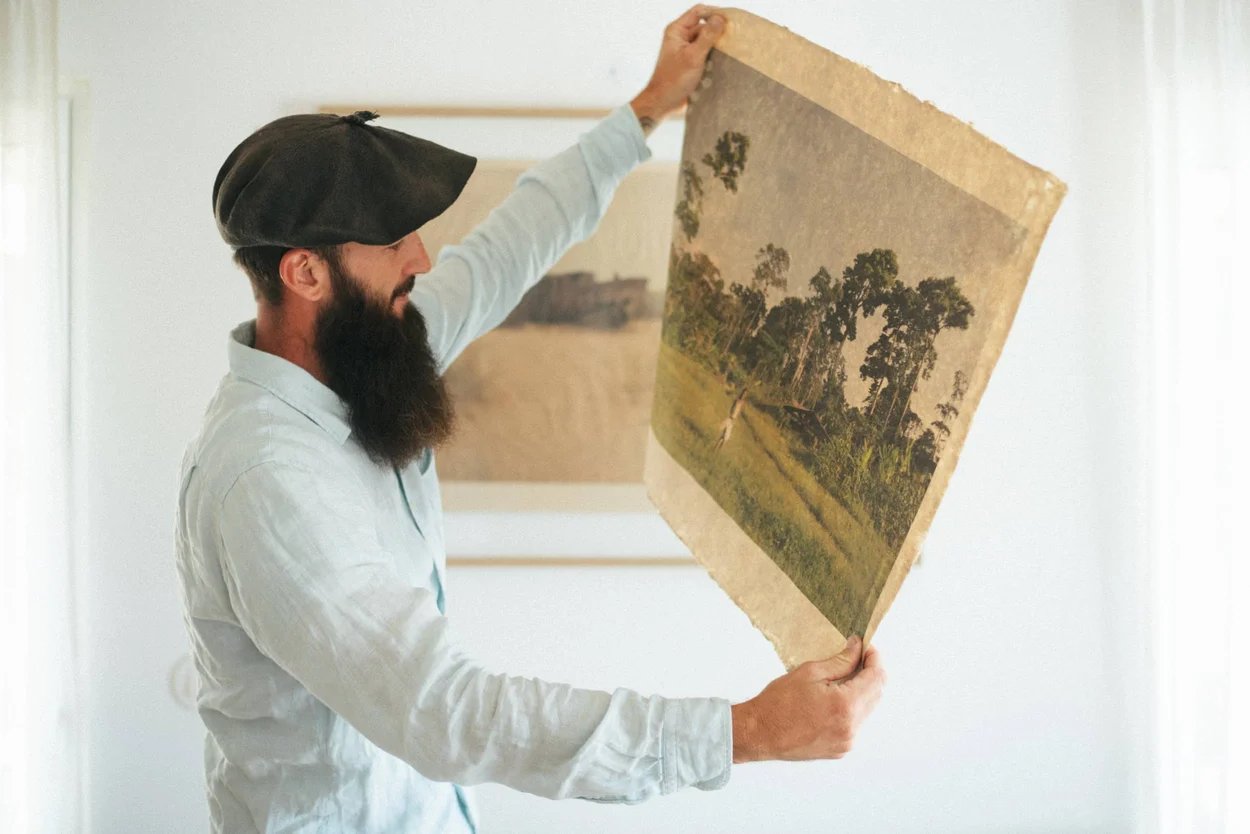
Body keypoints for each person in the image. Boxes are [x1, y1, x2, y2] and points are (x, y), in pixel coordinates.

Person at [174, 6, 886, 833]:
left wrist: (649, 106)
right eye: (393, 240)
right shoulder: (265, 481)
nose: (421, 258)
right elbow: (445, 711)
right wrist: (748, 733)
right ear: (305, 272)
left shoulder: (365, 348)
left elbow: (507, 246)